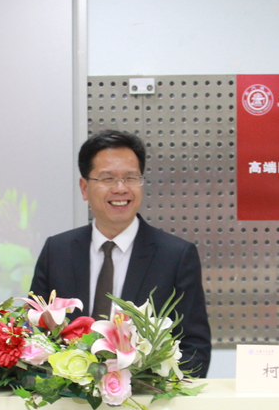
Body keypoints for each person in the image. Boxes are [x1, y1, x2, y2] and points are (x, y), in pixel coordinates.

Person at [30, 130, 211, 377]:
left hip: (145, 396)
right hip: (66, 398)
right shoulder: (57, 251)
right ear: (84, 188)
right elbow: (34, 334)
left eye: (130, 178)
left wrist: (155, 393)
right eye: (107, 179)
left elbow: (194, 349)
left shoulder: (176, 256)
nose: (121, 188)